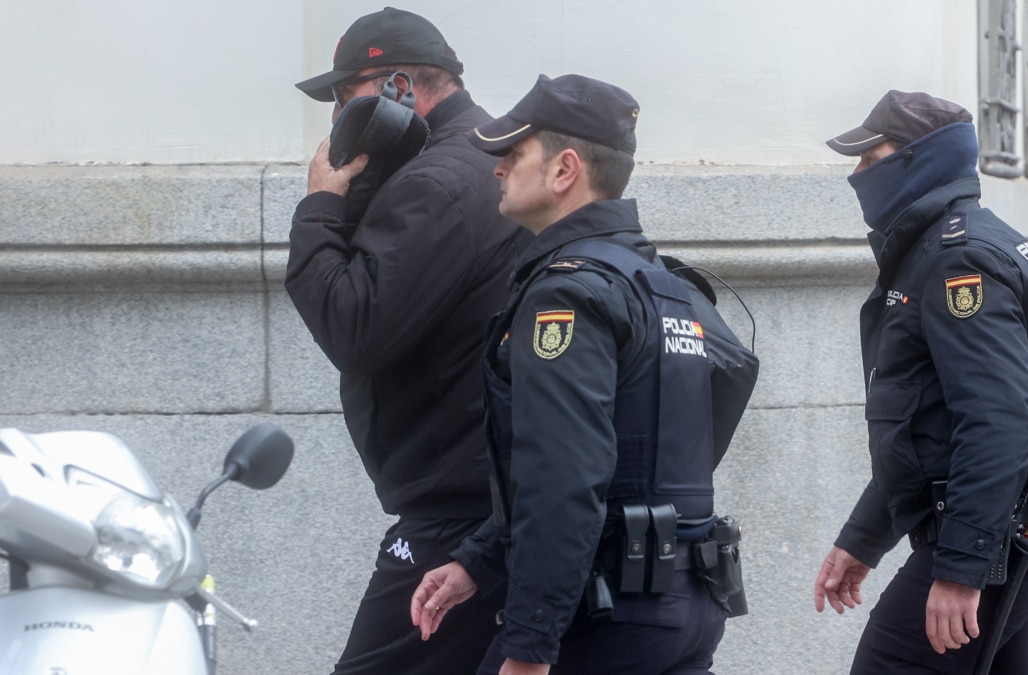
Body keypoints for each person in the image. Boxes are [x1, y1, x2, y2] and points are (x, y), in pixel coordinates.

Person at [408, 74, 755, 675]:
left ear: (565, 169)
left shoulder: (567, 296)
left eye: (513, 154)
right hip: (686, 606)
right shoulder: (663, 285)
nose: (497, 169)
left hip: (606, 620)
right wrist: (480, 560)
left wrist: (529, 646)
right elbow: (658, 444)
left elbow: (564, 477)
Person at [286, 8, 527, 674]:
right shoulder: (486, 160)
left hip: (456, 516)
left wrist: (323, 203)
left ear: (398, 88)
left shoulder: (433, 183)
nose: (336, 115)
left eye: (344, 95)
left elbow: (354, 328)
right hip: (492, 501)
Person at [812, 90, 1028, 674]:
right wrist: (865, 537)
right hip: (1022, 537)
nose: (858, 176)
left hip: (997, 546)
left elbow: (998, 424)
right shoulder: (951, 247)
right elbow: (924, 432)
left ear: (919, 159)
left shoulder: (958, 260)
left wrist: (963, 570)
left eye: (870, 157)